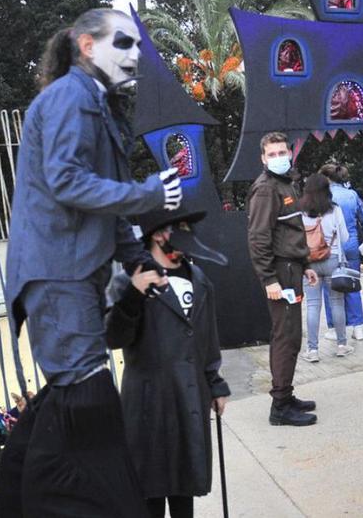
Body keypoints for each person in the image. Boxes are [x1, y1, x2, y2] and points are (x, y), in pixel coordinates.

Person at [0, 8, 180, 517]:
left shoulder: (96, 104)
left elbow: (107, 210)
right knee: (89, 402)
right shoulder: (69, 98)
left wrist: (141, 261)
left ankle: (21, 502)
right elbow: (66, 180)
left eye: (139, 45)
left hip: (71, 274)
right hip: (59, 275)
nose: (134, 54)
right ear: (85, 45)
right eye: (122, 42)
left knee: (74, 403)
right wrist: (146, 193)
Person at [104, 204, 231, 518]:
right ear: (160, 234)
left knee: (183, 486)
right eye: (181, 227)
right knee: (150, 488)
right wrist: (133, 295)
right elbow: (113, 338)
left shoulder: (199, 279)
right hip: (148, 402)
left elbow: (207, 336)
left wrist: (214, 382)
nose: (189, 235)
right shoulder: (127, 280)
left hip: (188, 396)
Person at [247, 131, 319, 427]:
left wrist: (304, 264)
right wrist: (269, 279)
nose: (278, 157)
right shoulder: (266, 189)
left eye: (282, 152)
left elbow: (289, 229)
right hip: (280, 272)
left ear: (290, 153)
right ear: (263, 159)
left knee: (291, 336)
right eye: (272, 154)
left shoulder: (285, 183)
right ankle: (280, 405)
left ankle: (286, 396)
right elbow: (258, 237)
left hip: (291, 268)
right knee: (285, 337)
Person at [299, 173, 354, 361]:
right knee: (337, 303)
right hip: (333, 261)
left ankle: (312, 350)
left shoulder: (301, 212)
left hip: (309, 264)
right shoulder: (334, 210)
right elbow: (345, 237)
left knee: (313, 305)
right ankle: (341, 345)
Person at [319, 163, 363, 341]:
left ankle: (334, 328)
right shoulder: (352, 194)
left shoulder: (323, 196)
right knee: (353, 284)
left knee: (330, 288)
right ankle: (358, 327)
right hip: (351, 244)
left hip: (330, 247)